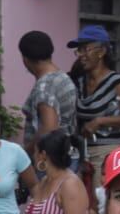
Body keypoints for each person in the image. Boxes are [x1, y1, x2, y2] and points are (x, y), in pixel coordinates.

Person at [70, 25, 120, 182]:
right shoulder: (80, 82)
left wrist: (100, 121)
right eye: (79, 50)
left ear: (101, 51)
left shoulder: (115, 81)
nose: (80, 55)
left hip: (107, 153)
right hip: (83, 155)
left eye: (85, 49)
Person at [18, 31, 78, 160]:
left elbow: (48, 128)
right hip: (67, 155)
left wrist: (26, 152)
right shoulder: (63, 78)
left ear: (25, 59)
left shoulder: (44, 86)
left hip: (48, 161)